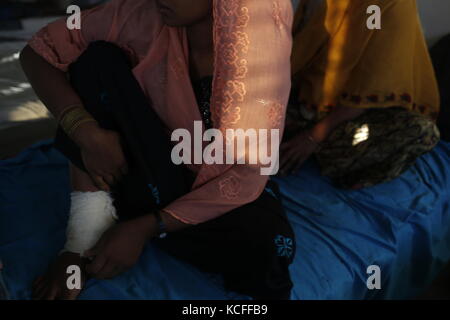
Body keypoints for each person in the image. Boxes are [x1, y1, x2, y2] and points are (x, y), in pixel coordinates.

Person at [20, 0, 295, 300]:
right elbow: (38, 52)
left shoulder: (260, 42)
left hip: (214, 193)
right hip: (147, 167)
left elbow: (246, 176)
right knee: (95, 60)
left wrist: (145, 228)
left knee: (267, 244)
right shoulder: (145, 14)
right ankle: (87, 231)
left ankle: (136, 222)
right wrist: (86, 133)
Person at [280, 0, 440, 189]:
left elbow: (371, 87)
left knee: (422, 131)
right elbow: (298, 52)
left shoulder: (390, 6)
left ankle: (328, 162)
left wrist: (312, 137)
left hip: (357, 111)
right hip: (306, 100)